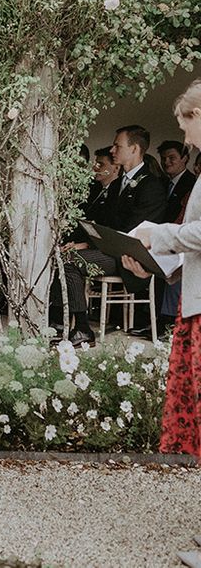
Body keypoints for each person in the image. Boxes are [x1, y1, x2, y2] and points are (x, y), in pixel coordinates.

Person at [122, 79, 201, 458]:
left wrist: (158, 234)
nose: (183, 135)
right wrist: (156, 267)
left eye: (185, 124)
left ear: (198, 115)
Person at [51, 125, 166, 347]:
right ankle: (62, 321)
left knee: (72, 261)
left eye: (117, 146)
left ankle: (82, 328)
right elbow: (104, 223)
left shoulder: (151, 186)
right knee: (65, 255)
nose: (112, 150)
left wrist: (91, 245)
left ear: (134, 149)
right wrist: (84, 242)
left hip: (131, 260)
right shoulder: (117, 185)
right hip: (110, 251)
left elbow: (132, 233)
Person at [158, 139, 195, 223]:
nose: (166, 162)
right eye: (163, 158)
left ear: (184, 158)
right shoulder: (160, 182)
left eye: (172, 158)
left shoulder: (192, 183)